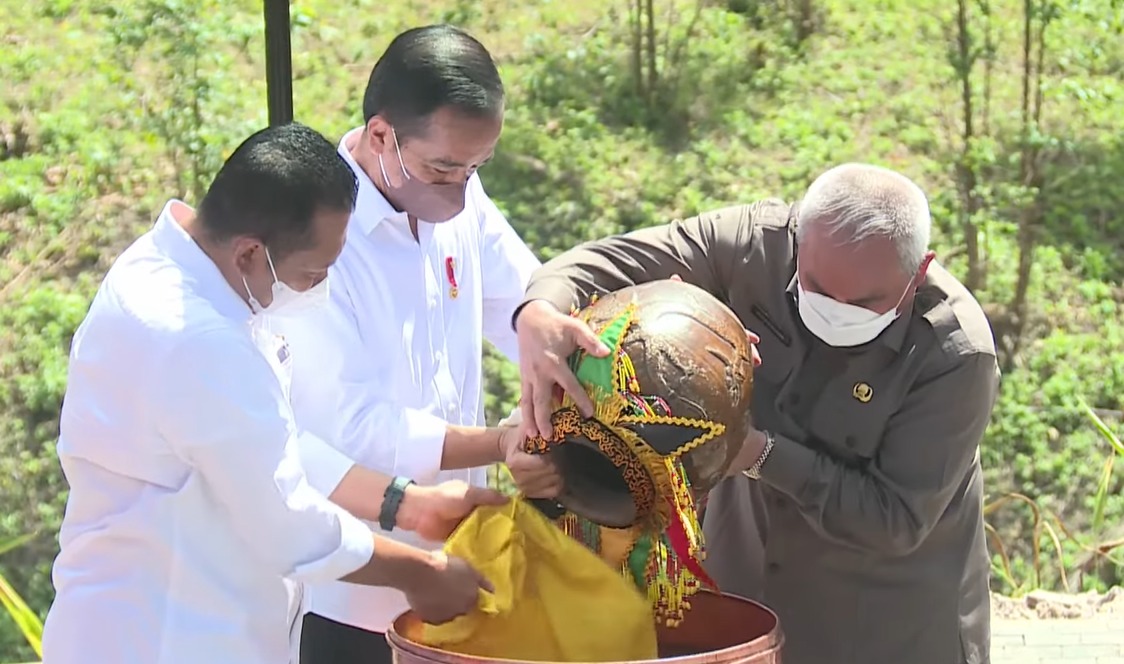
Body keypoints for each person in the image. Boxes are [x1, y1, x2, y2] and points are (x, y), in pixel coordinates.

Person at [41, 122, 510, 664]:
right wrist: (421, 573)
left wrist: (404, 505)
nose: (318, 289)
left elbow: (264, 441)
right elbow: (288, 523)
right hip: (165, 636)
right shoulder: (195, 339)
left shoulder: (178, 269)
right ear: (249, 254)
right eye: (311, 273)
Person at [513, 163, 1000, 664]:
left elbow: (893, 520)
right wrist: (539, 312)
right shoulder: (752, 248)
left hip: (887, 623)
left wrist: (755, 452)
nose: (838, 309)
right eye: (818, 290)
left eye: (866, 302)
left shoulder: (954, 354)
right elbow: (601, 262)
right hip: (744, 596)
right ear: (798, 241)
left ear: (919, 271)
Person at [263, 26, 556, 664]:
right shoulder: (314, 237)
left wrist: (611, 339)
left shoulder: (458, 193)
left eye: (477, 167)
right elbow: (346, 427)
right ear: (379, 136)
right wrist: (500, 442)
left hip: (457, 567)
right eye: (443, 168)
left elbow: (523, 305)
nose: (459, 189)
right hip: (350, 592)